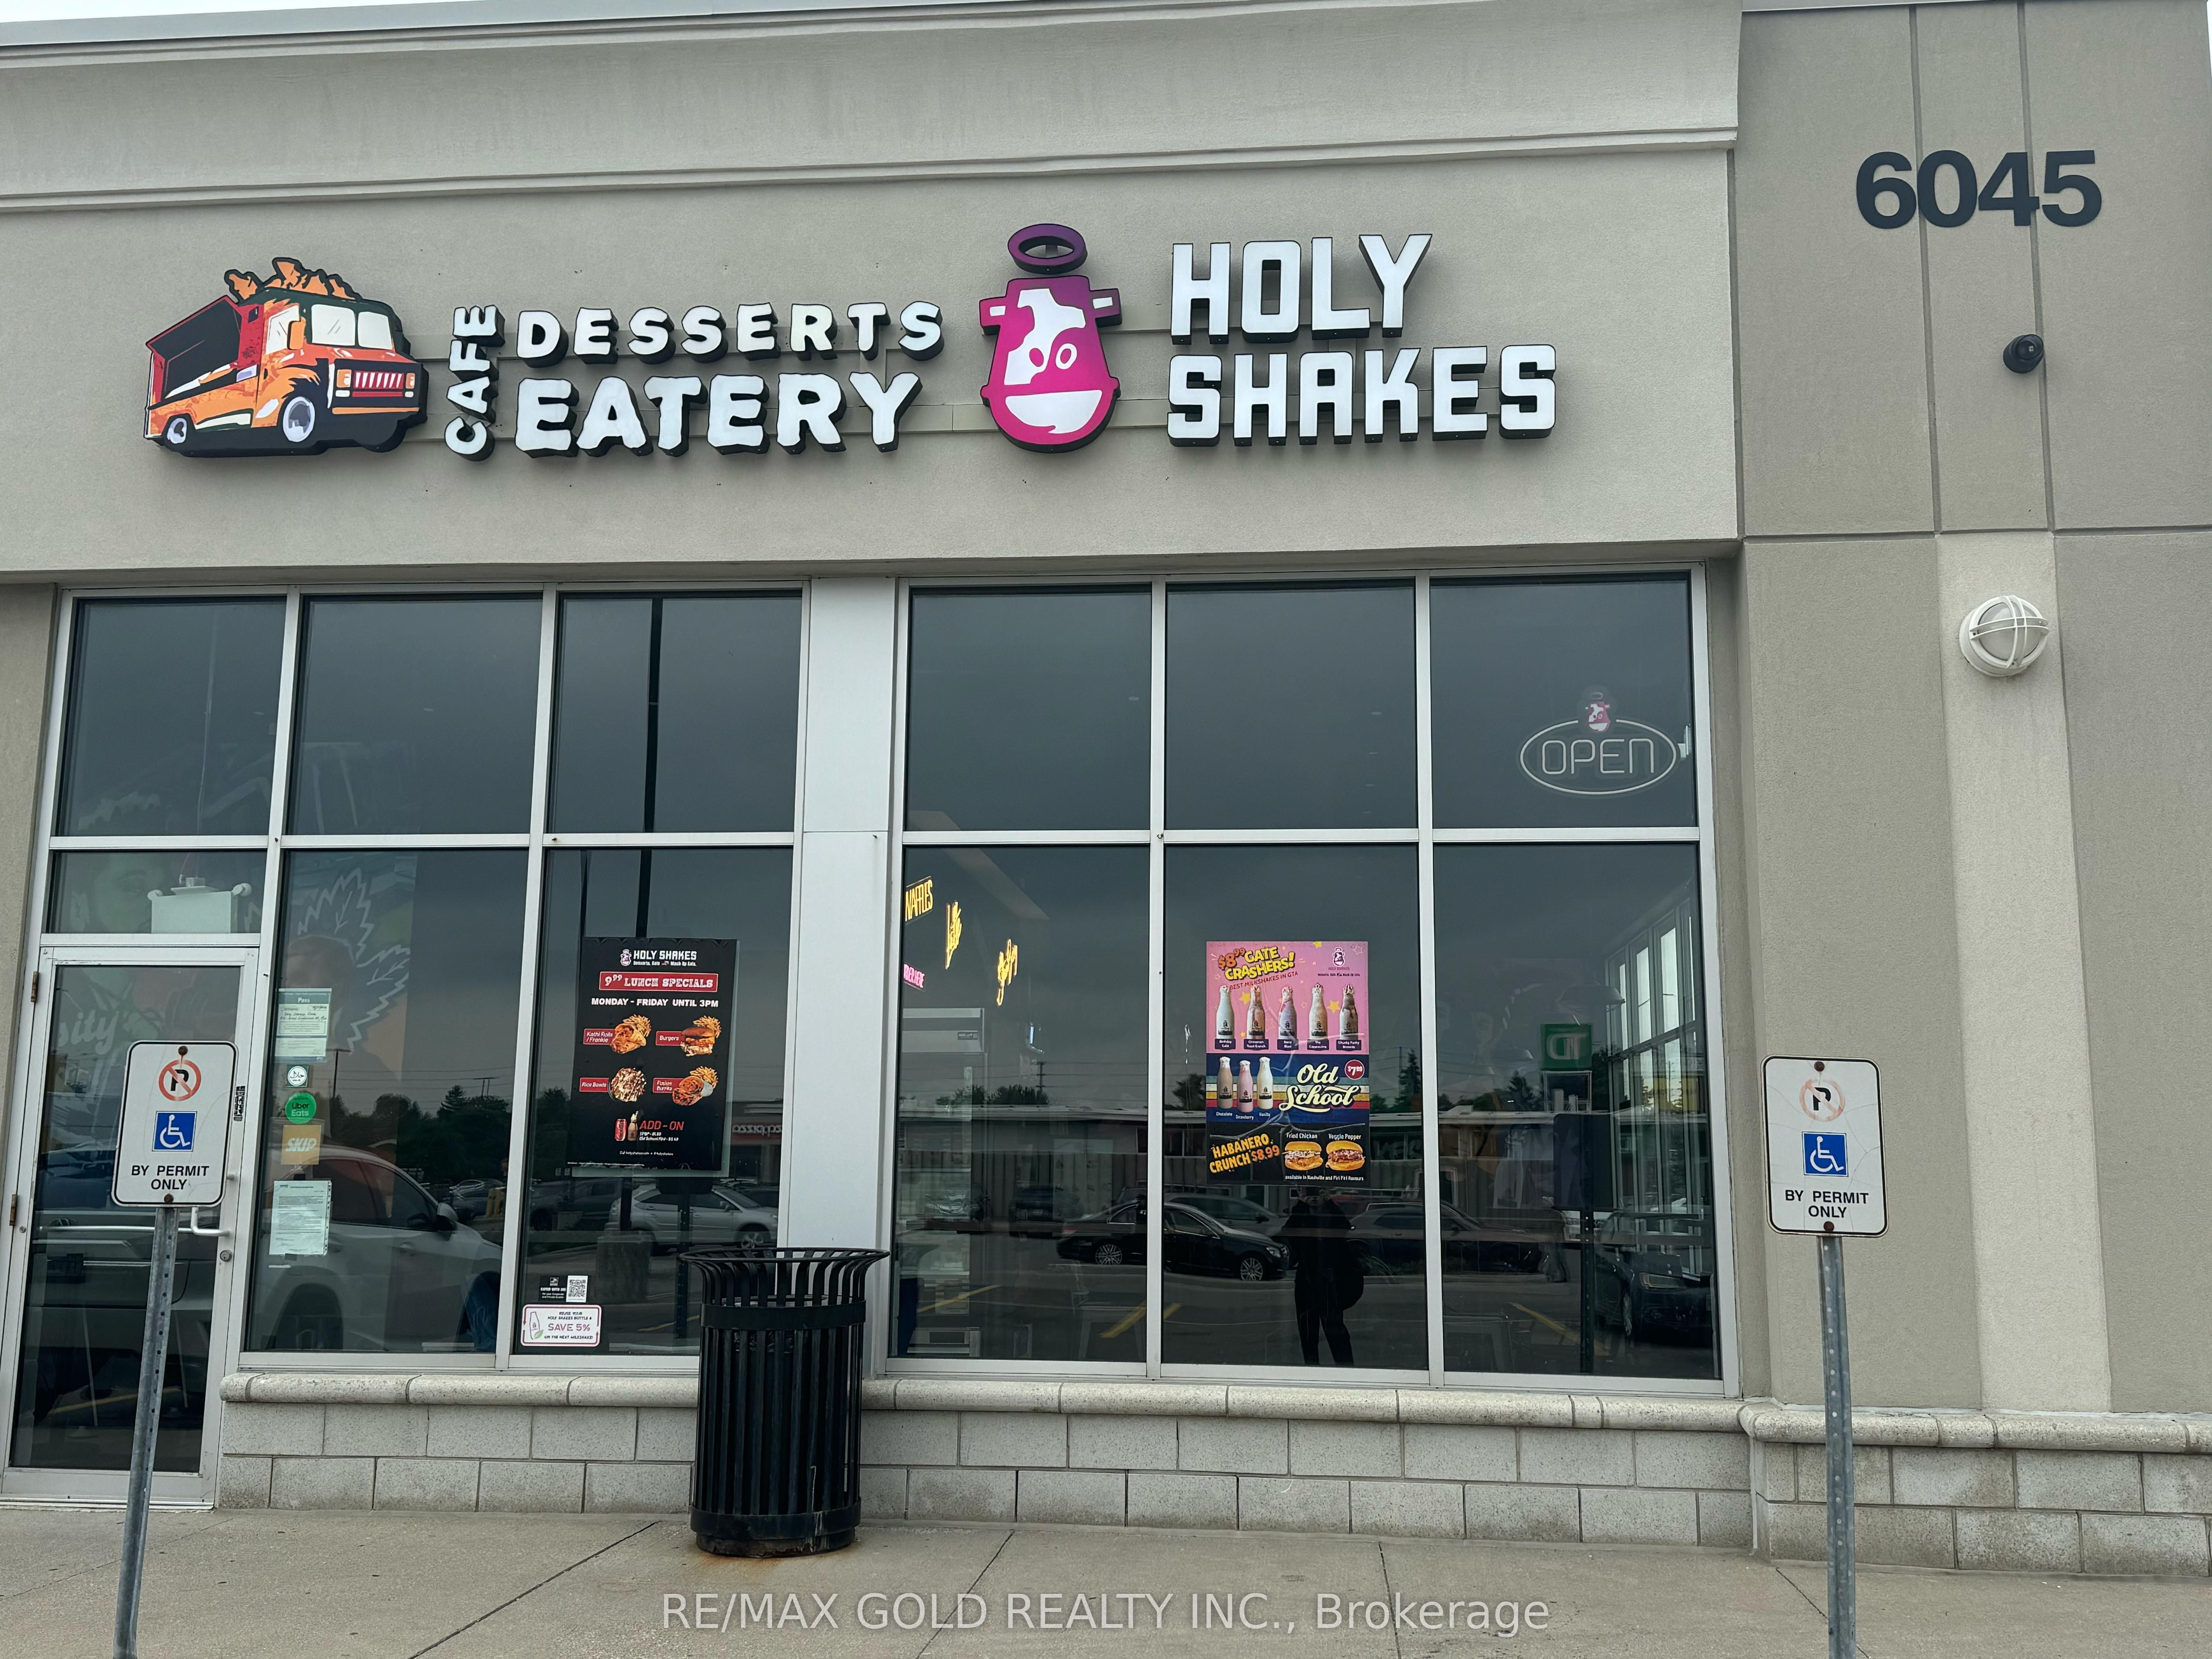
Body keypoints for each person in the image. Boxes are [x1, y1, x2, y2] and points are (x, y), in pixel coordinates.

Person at [1284, 1192, 1361, 1366]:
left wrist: (1329, 1202)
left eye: (1318, 1192)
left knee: (1335, 1329)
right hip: (1306, 1279)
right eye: (1310, 1192)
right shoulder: (1301, 1214)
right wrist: (1301, 1204)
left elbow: (1344, 1229)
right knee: (1308, 1332)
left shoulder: (1331, 1213)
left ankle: (1346, 1369)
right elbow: (1289, 1236)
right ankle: (1312, 1368)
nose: (1314, 1196)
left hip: (1330, 1279)